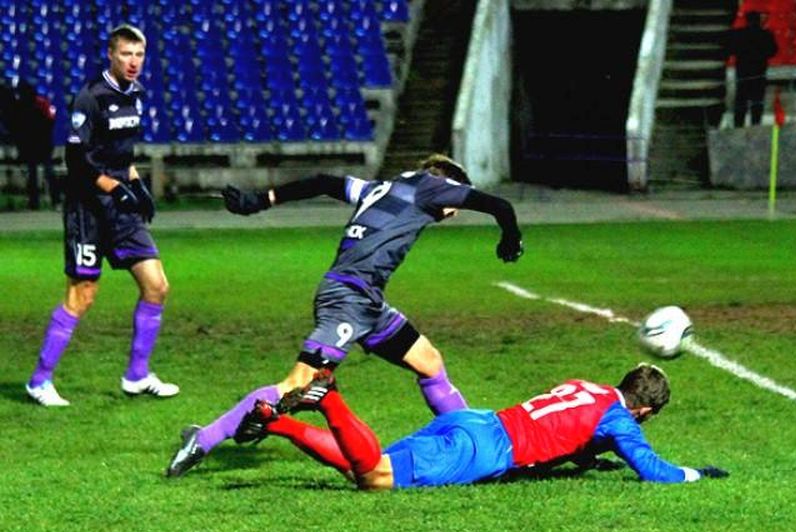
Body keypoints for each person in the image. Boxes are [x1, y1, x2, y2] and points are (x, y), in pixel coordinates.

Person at [166, 154, 524, 476]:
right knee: (299, 383)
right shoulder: (431, 187)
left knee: (429, 362)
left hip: (368, 302)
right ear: (447, 184)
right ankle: (203, 438)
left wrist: (259, 200)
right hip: (348, 298)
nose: (454, 211)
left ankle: (469, 440)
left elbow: (322, 182)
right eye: (455, 201)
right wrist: (510, 237)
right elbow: (499, 205)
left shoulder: (378, 188)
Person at [224, 363, 729, 489]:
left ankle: (274, 425)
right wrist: (696, 474)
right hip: (486, 451)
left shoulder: (588, 387)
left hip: (475, 420)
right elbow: (652, 469)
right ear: (643, 412)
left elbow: (567, 428)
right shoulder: (621, 420)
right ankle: (330, 399)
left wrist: (583, 458)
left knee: (365, 469)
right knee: (374, 476)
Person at [25, 24, 178, 406]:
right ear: (111, 54)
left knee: (157, 285)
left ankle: (137, 376)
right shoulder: (89, 98)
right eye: (126, 54)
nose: (133, 62)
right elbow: (76, 161)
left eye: (139, 55)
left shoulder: (136, 95)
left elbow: (121, 157)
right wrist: (116, 189)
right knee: (83, 294)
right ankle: (40, 381)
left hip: (120, 209)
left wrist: (137, 187)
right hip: (87, 211)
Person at [726, 11, 778, 127]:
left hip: (743, 72)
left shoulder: (738, 34)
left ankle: (738, 124)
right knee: (757, 101)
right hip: (759, 71)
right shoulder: (766, 34)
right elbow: (773, 51)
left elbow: (730, 49)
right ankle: (756, 124)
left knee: (741, 100)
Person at [12, 81, 58, 210]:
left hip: (41, 144)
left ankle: (53, 200)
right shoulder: (21, 106)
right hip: (35, 144)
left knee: (47, 172)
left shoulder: (40, 103)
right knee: (36, 173)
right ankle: (35, 202)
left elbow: (50, 120)